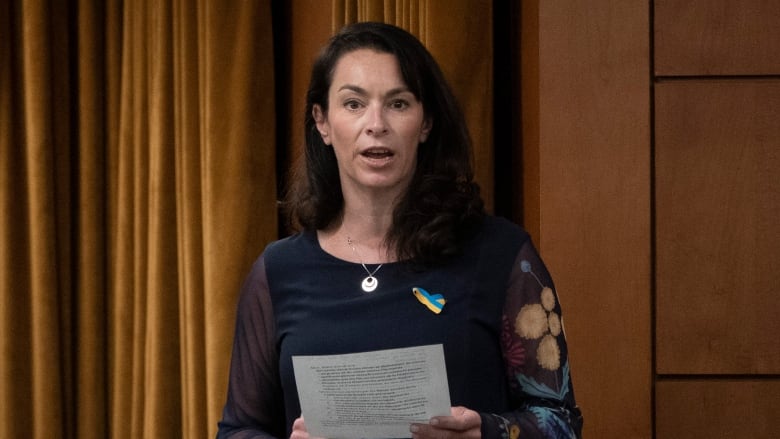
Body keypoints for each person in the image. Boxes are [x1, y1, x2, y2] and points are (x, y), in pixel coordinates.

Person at [216, 21, 582, 439]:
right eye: (353, 104)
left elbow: (563, 423)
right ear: (322, 122)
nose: (376, 124)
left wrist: (486, 432)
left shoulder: (501, 255)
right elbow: (237, 430)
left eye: (398, 104)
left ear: (425, 123)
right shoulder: (277, 272)